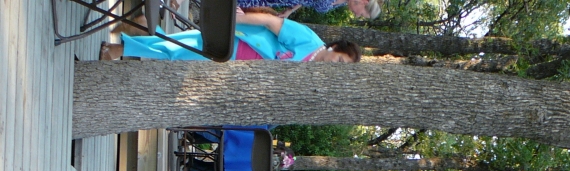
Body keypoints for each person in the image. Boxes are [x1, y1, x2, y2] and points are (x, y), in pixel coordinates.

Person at [99, 11, 361, 63]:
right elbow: (271, 22)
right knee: (176, 50)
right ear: (334, 47)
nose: (335, 66)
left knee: (177, 51)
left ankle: (139, 30)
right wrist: (236, 20)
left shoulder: (310, 69)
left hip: (233, 65)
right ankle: (120, 48)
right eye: (340, 60)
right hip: (234, 42)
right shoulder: (309, 41)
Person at [237, 0, 382, 20]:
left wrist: (290, 11)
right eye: (361, 13)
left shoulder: (341, 3)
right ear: (364, 2)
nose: (357, 15)